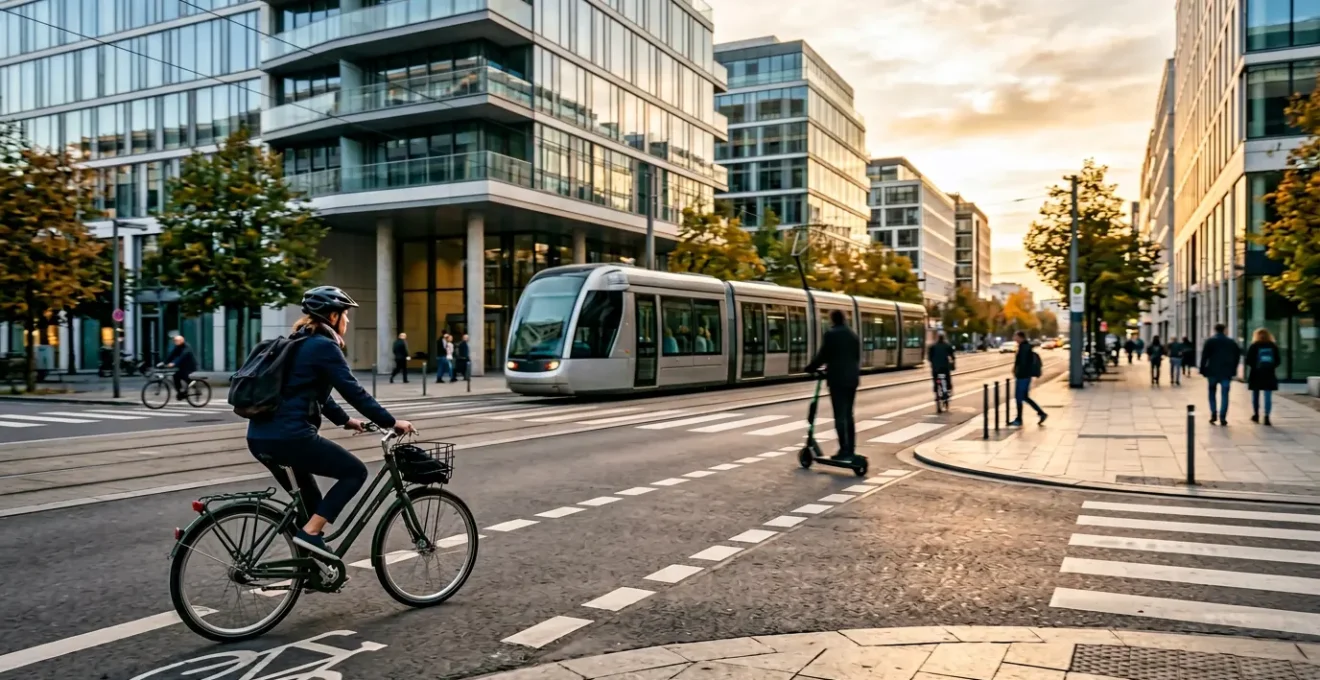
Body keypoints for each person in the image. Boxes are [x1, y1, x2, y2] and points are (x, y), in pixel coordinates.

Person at [247, 286, 414, 561]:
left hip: (259, 437)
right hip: (292, 437)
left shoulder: (298, 342)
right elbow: (353, 391)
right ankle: (309, 535)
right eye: (346, 315)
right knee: (354, 472)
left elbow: (315, 394)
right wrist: (392, 422)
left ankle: (313, 566)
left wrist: (346, 421)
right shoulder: (324, 346)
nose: (348, 321)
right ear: (333, 316)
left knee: (311, 505)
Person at [805, 310, 861, 461]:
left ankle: (844, 450)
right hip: (852, 379)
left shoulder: (831, 334)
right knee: (848, 415)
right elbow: (855, 357)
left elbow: (824, 354)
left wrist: (810, 367)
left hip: (837, 380)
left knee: (839, 415)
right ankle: (850, 449)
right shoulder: (853, 335)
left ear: (832, 319)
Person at [1200, 323, 1242, 426]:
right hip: (1226, 372)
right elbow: (1237, 356)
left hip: (1212, 371)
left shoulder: (1210, 341)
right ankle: (1223, 416)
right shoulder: (1231, 342)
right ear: (1225, 330)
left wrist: (1202, 369)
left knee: (1212, 392)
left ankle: (1213, 412)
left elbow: (1204, 356)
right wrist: (1234, 369)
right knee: (1225, 394)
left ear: (1214, 330)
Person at [1009, 330, 1047, 426]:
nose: (1014, 338)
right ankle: (1041, 413)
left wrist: (1017, 372)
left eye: (1016, 336)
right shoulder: (1024, 347)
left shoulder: (1024, 348)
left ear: (1021, 337)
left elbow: (1023, 363)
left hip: (1023, 376)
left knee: (1019, 398)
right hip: (1025, 376)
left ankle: (1019, 419)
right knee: (1025, 397)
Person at [1245, 328, 1280, 426]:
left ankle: (1256, 415)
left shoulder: (1254, 346)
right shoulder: (1273, 346)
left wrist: (1255, 366)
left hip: (1256, 374)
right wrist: (1271, 367)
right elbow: (1278, 360)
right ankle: (1267, 417)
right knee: (1268, 395)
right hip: (1269, 373)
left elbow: (1248, 360)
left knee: (1255, 395)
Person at [163, 334, 198, 400]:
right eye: (174, 341)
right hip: (182, 366)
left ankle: (194, 385)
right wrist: (164, 362)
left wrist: (174, 363)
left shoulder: (187, 347)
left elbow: (181, 356)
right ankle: (180, 391)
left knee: (183, 376)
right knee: (175, 376)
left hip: (190, 366)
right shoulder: (177, 347)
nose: (175, 342)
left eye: (176, 341)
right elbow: (171, 355)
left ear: (181, 341)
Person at [927, 332, 956, 398]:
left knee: (935, 378)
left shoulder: (932, 346)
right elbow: (952, 356)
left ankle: (936, 389)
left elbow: (929, 358)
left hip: (936, 368)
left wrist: (932, 363)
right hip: (945, 367)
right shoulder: (947, 345)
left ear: (937, 338)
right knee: (947, 378)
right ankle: (948, 389)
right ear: (944, 337)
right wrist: (953, 364)